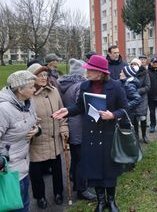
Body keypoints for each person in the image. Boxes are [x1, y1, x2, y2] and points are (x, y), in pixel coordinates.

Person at [52, 55, 128, 212]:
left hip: (108, 135)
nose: (86, 72)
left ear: (100, 72)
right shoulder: (85, 85)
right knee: (94, 169)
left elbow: (125, 108)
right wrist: (67, 111)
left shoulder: (115, 86)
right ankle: (100, 201)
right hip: (91, 135)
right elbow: (80, 106)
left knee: (109, 169)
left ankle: (111, 201)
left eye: (90, 70)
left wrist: (113, 115)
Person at [27, 63, 69, 209]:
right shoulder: (28, 95)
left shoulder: (54, 91)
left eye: (45, 75)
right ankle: (40, 197)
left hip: (54, 137)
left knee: (57, 169)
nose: (44, 78)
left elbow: (62, 112)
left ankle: (59, 193)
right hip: (37, 141)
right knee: (36, 172)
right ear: (32, 78)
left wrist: (64, 128)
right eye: (40, 75)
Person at [57, 58, 96, 201]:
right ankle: (82, 189)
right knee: (81, 159)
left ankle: (75, 181)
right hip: (80, 126)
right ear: (82, 72)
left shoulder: (65, 84)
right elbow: (85, 107)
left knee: (76, 157)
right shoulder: (81, 86)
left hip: (71, 125)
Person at [0, 70, 39, 212]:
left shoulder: (28, 103)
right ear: (20, 90)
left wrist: (37, 130)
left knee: (24, 205)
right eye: (31, 87)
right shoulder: (3, 109)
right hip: (8, 171)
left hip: (23, 166)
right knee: (12, 207)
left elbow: (35, 122)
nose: (35, 89)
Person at [130, 58, 151, 143]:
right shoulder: (129, 73)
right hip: (132, 99)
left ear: (139, 65)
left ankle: (144, 135)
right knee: (134, 118)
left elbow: (147, 86)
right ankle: (136, 136)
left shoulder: (145, 73)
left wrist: (137, 91)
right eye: (132, 64)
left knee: (142, 117)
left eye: (135, 64)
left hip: (142, 99)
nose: (133, 65)